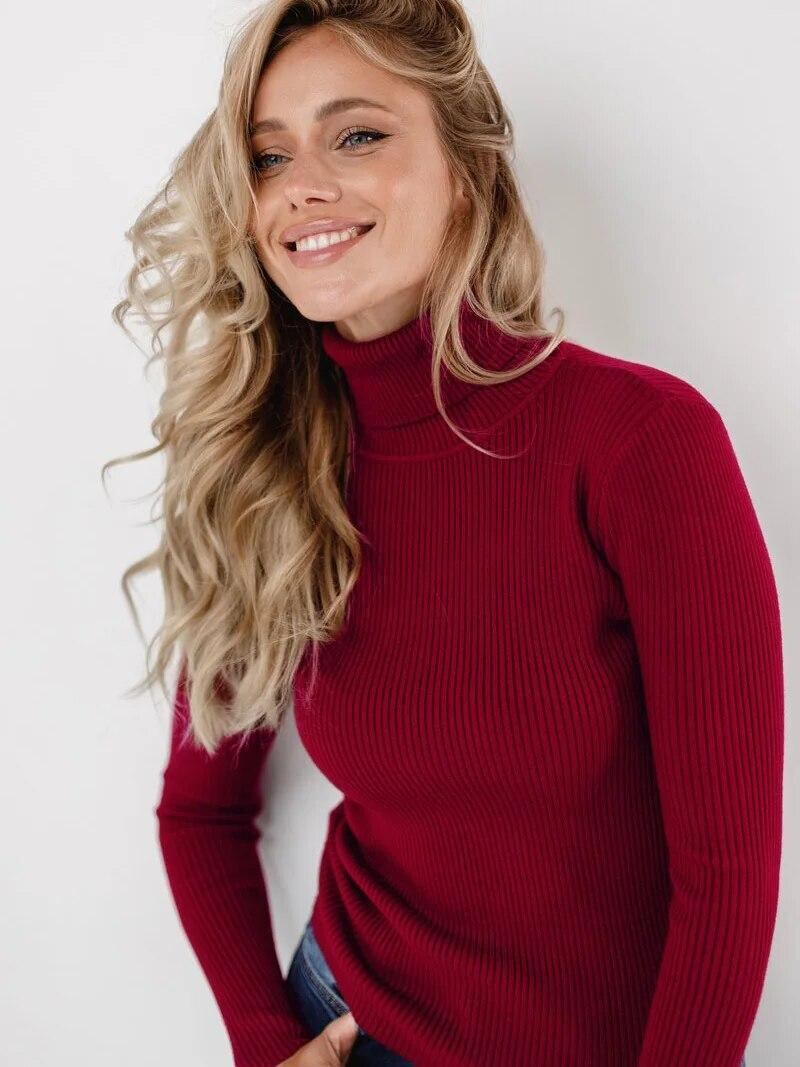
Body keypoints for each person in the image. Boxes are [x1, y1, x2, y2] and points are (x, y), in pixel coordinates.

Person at [109, 1, 782, 1064]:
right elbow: (200, 812)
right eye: (268, 156)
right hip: (348, 1024)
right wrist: (263, 1042)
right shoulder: (268, 471)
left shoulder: (639, 442)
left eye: (356, 135)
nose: (302, 185)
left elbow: (726, 873)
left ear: (463, 171)